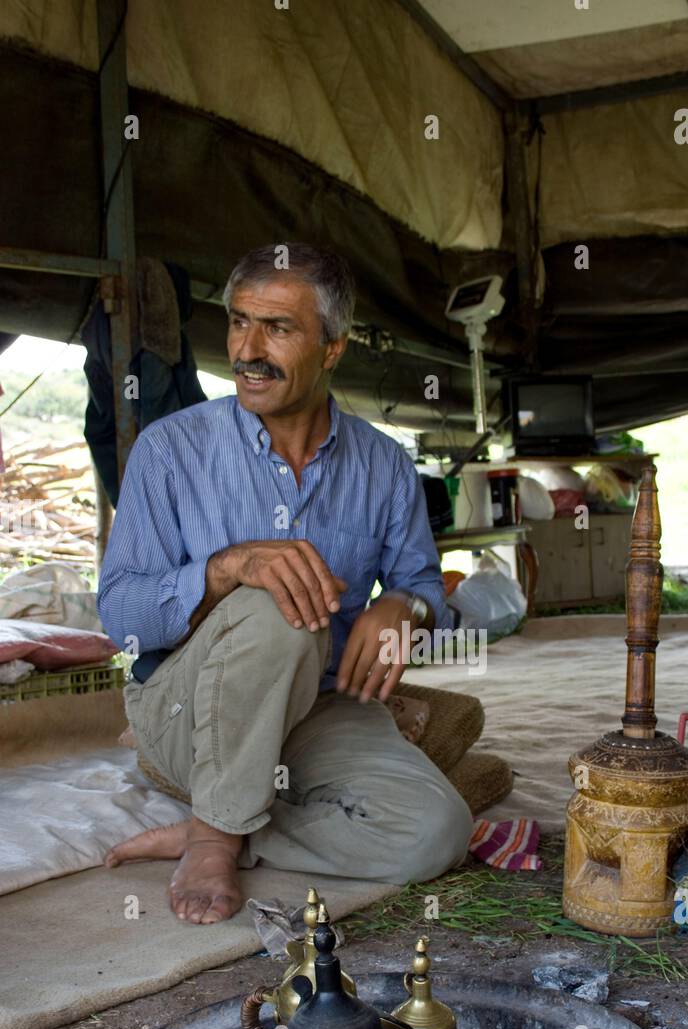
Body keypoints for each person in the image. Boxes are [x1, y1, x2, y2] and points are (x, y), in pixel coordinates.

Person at [97, 242, 473, 925]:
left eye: (278, 328)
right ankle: (213, 835)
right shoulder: (169, 450)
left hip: (312, 712)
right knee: (279, 603)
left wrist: (404, 606)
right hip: (186, 711)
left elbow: (425, 587)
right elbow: (120, 621)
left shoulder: (384, 465)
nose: (248, 349)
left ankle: (238, 831)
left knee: (434, 833)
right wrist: (224, 571)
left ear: (333, 347)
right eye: (239, 322)